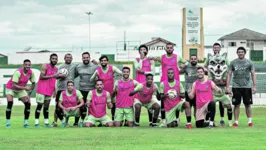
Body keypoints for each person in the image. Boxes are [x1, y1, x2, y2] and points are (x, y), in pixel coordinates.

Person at [226, 47, 256, 127]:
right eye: (239, 52)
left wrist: (254, 86)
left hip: (247, 86)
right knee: (236, 104)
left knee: (248, 104)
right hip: (236, 86)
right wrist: (227, 87)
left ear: (244, 53)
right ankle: (236, 122)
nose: (240, 53)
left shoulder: (249, 63)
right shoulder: (233, 63)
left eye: (242, 52)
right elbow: (229, 74)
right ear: (237, 53)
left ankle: (249, 122)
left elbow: (253, 74)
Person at [204, 43, 230, 126]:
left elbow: (228, 68)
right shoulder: (210, 57)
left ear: (220, 48)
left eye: (218, 47)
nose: (216, 49)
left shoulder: (224, 57)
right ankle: (210, 120)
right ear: (213, 48)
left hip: (222, 86)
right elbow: (204, 66)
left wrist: (225, 82)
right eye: (215, 47)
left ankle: (222, 120)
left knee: (222, 104)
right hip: (212, 86)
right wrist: (208, 73)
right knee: (211, 104)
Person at [90, 55, 122, 122]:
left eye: (105, 60)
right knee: (101, 106)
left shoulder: (112, 68)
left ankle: (113, 119)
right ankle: (101, 121)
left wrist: (118, 83)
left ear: (107, 61)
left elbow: (122, 73)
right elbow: (91, 79)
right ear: (100, 62)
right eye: (102, 61)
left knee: (113, 105)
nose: (103, 62)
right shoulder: (98, 70)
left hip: (111, 92)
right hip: (102, 93)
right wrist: (95, 75)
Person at [5, 59, 36, 128]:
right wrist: (25, 88)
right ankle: (8, 123)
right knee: (10, 103)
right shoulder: (18, 72)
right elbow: (13, 85)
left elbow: (33, 83)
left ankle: (25, 123)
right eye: (26, 65)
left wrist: (28, 94)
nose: (28, 66)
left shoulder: (31, 72)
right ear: (23, 65)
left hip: (21, 90)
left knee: (28, 103)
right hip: (11, 88)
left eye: (29, 65)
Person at [35, 53, 63, 128]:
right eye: (53, 58)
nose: (54, 60)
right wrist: (53, 76)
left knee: (46, 107)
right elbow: (41, 77)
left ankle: (46, 123)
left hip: (49, 90)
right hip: (41, 89)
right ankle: (36, 123)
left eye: (55, 59)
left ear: (57, 60)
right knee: (39, 105)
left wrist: (54, 90)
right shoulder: (45, 66)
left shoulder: (56, 69)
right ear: (50, 59)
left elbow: (54, 80)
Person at [52, 53, 78, 127]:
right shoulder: (60, 67)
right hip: (61, 89)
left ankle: (66, 122)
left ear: (72, 59)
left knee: (68, 106)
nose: (68, 59)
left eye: (70, 57)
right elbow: (55, 77)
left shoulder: (74, 66)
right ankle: (55, 122)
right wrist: (59, 76)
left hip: (70, 90)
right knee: (57, 106)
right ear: (64, 58)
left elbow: (76, 73)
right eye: (67, 57)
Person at [134, 44, 156, 125]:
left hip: (148, 83)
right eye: (141, 49)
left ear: (147, 51)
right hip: (139, 83)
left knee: (149, 101)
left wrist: (145, 72)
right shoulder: (136, 59)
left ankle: (151, 121)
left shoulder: (151, 60)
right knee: (137, 103)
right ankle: (136, 122)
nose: (143, 50)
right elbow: (138, 68)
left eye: (144, 49)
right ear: (139, 51)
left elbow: (153, 72)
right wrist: (141, 59)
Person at [75, 52, 98, 126]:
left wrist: (98, 64)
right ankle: (77, 122)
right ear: (82, 58)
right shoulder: (78, 67)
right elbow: (73, 76)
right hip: (82, 90)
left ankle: (91, 121)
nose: (86, 59)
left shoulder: (95, 66)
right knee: (81, 106)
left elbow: (105, 69)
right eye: (84, 57)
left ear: (89, 58)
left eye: (87, 57)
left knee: (92, 107)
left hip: (92, 90)